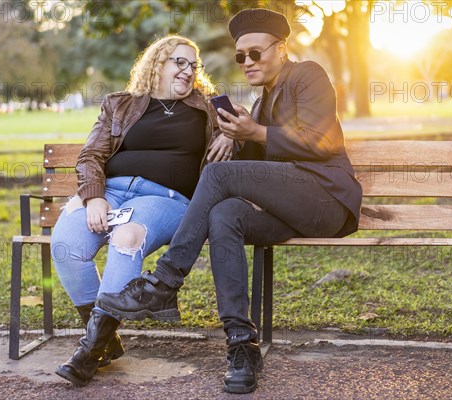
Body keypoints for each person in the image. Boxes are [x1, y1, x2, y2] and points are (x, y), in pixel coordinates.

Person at [96, 9, 362, 394]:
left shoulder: (307, 75)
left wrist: (256, 131)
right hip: (289, 210)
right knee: (225, 214)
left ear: (282, 49)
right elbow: (252, 173)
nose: (247, 62)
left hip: (325, 201)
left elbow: (324, 142)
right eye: (241, 56)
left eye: (256, 53)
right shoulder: (259, 103)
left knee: (219, 179)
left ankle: (165, 282)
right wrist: (233, 138)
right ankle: (241, 344)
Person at [51, 34, 232, 387]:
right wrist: (93, 197)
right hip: (111, 192)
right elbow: (91, 156)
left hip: (165, 200)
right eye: (179, 62)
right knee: (66, 244)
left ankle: (88, 353)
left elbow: (249, 122)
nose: (188, 70)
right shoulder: (119, 104)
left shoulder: (209, 107)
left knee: (127, 236)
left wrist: (231, 135)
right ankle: (106, 339)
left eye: (193, 65)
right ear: (157, 63)